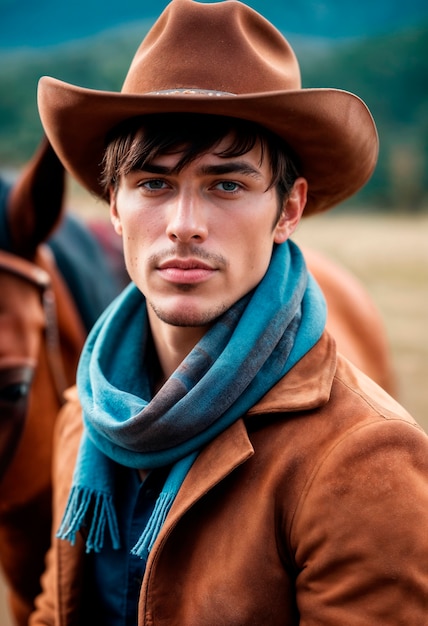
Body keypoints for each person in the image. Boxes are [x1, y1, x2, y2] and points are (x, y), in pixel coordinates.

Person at [32, 0, 428, 623]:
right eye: (154, 184)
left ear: (289, 210)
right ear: (114, 204)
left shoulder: (363, 459)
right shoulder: (85, 416)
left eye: (227, 184)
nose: (184, 227)